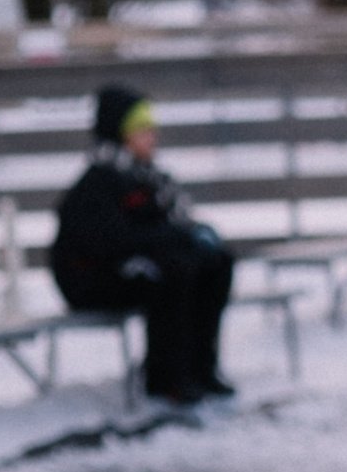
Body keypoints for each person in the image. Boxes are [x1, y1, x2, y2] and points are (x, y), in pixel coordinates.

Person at [49, 83, 235, 409]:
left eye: (152, 128)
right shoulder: (101, 180)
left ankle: (201, 367)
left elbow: (165, 226)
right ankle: (166, 379)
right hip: (90, 278)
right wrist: (176, 238)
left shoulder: (148, 178)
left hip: (130, 268)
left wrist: (193, 234)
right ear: (121, 133)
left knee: (216, 262)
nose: (153, 136)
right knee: (172, 271)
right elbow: (112, 241)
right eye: (143, 129)